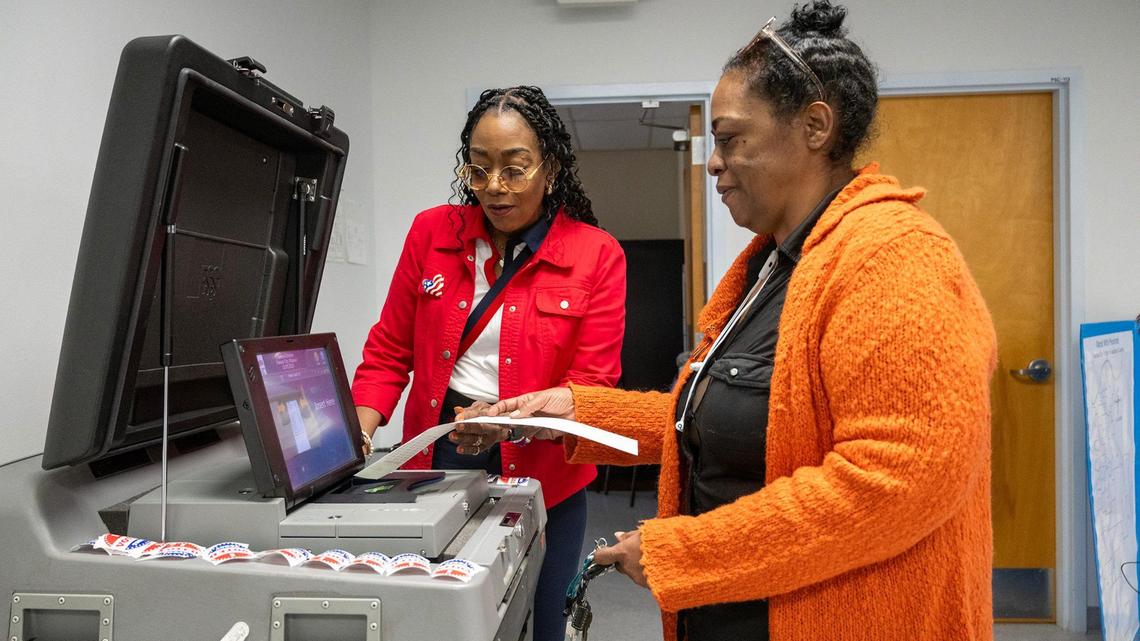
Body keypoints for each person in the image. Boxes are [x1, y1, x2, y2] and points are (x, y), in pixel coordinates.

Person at [452, 4, 998, 640]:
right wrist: (567, 412)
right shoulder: (773, 265)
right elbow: (718, 418)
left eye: (731, 138)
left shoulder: (894, 258)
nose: (713, 162)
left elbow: (895, 484)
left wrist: (685, 552)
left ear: (815, 127)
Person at [351, 86, 626, 641]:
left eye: (515, 168)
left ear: (550, 167)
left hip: (546, 472)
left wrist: (508, 423)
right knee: (442, 620)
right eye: (479, 170)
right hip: (439, 453)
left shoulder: (597, 254)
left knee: (543, 620)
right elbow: (388, 349)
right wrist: (359, 430)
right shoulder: (432, 233)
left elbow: (594, 388)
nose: (494, 188)